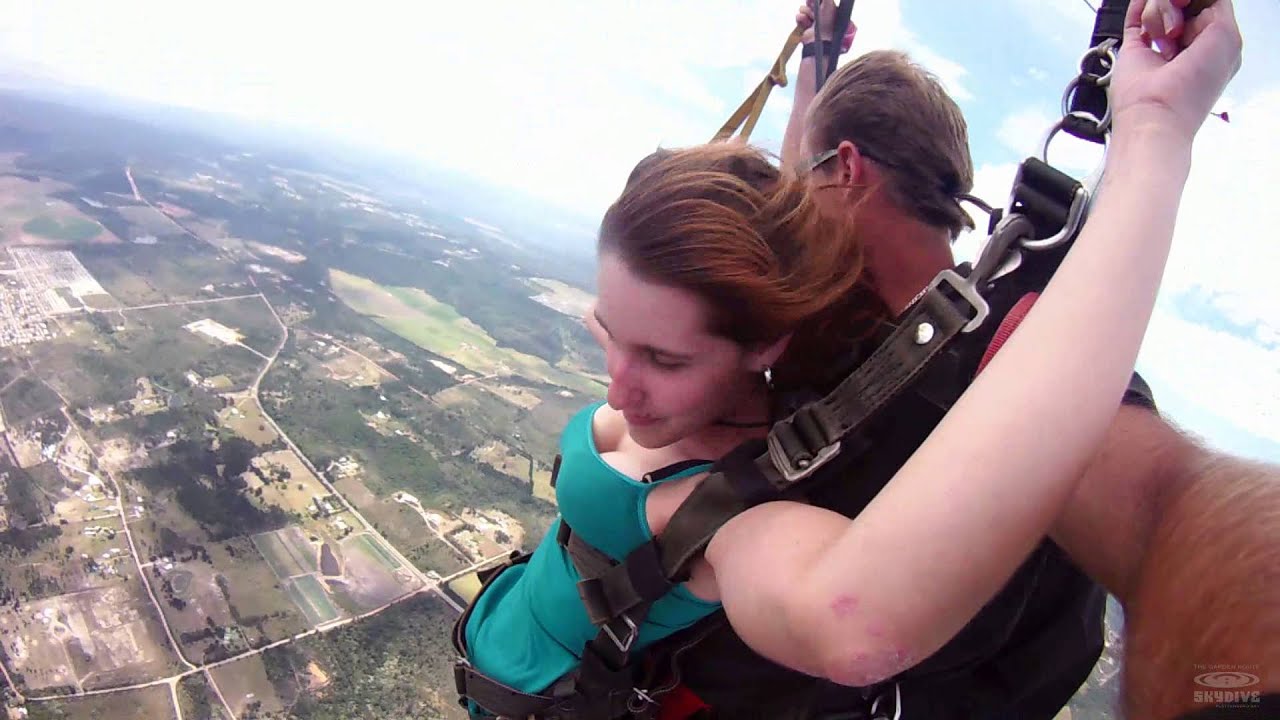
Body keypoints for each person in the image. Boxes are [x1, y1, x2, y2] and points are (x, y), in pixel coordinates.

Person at [452, 2, 1258, 718]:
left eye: (803, 179)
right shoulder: (830, 314)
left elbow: (1162, 510)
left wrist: (1153, 132)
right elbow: (804, 169)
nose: (783, 210)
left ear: (846, 170)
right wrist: (820, 47)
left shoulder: (1010, 347)